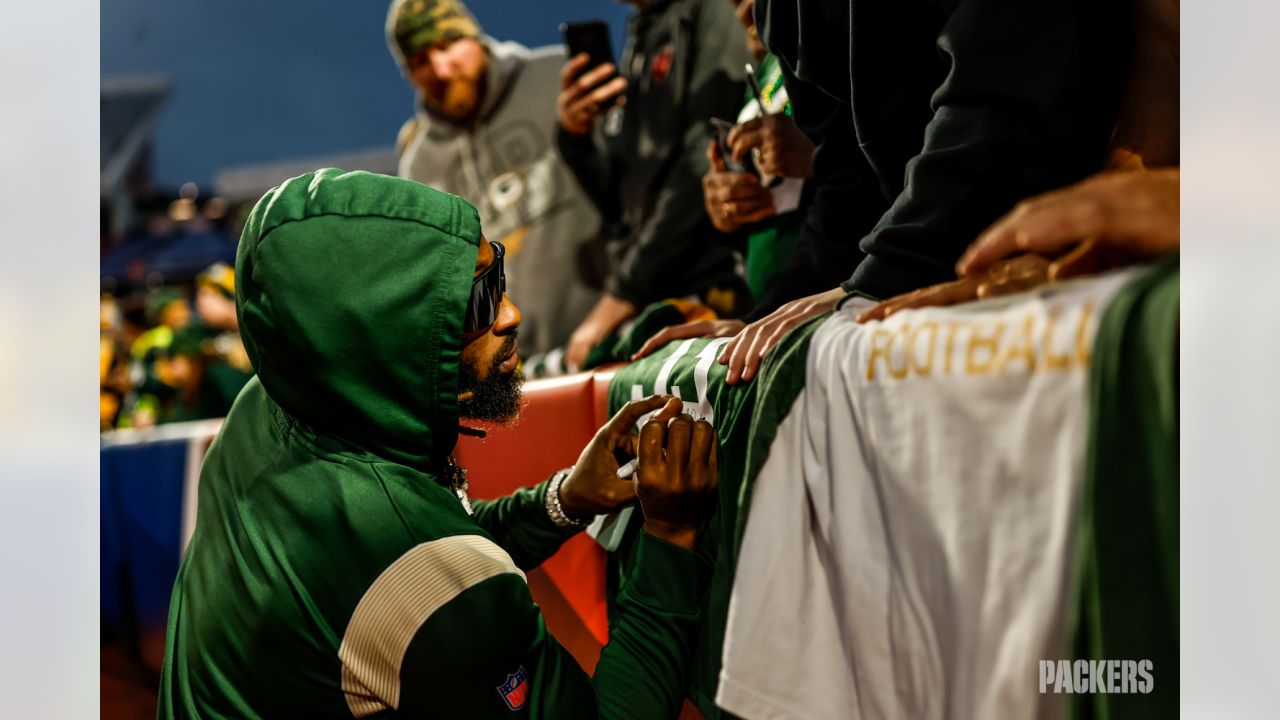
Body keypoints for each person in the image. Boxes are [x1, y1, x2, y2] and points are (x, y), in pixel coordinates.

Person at [158, 169, 719, 718]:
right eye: (474, 302)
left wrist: (565, 500)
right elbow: (424, 570)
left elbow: (420, 563)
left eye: (495, 273)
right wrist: (671, 536)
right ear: (384, 337)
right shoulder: (405, 556)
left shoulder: (266, 403)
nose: (511, 313)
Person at [638, 0, 1132, 384]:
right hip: (942, 273)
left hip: (1072, 264)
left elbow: (1013, 82)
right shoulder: (780, 11)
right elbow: (849, 180)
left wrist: (889, 273)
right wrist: (770, 320)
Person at [388, 0, 603, 356]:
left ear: (476, 38)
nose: (440, 69)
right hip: (518, 370)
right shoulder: (419, 165)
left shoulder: (558, 77)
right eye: (419, 62)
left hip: (614, 333)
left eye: (446, 45)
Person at [556, 0, 753, 371]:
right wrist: (574, 137)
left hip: (713, 295)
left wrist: (622, 294)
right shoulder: (643, 28)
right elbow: (621, 208)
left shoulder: (708, 9)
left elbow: (703, 159)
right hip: (657, 298)